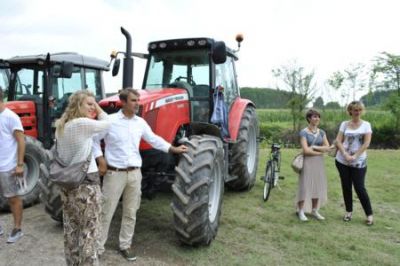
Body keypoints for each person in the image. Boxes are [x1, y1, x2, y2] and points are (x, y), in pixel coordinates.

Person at [94, 88, 187, 261]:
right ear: (123, 102)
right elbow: (94, 140)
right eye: (133, 100)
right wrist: (100, 160)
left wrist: (172, 148)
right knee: (106, 211)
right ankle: (98, 247)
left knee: (131, 212)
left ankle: (125, 245)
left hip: (135, 174)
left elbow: (153, 139)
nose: (138, 103)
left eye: (138, 100)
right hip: (115, 174)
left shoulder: (140, 122)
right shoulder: (110, 121)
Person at [55, 90, 111, 265]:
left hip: (67, 186)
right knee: (89, 233)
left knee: (71, 231)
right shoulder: (81, 124)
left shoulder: (62, 126)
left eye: (93, 104)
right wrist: (99, 108)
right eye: (89, 104)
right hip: (86, 186)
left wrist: (93, 105)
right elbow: (107, 123)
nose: (93, 107)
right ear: (78, 105)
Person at [335, 101, 373, 225]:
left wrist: (355, 156)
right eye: (355, 110)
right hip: (342, 160)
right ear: (350, 111)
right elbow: (338, 141)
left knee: (359, 187)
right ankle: (348, 212)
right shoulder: (344, 124)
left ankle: (369, 215)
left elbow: (366, 143)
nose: (357, 112)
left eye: (359, 110)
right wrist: (345, 154)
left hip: (359, 162)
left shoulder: (366, 125)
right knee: (346, 186)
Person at [296, 109, 331, 222]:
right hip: (307, 162)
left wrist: (315, 148)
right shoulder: (304, 132)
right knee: (305, 186)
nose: (317, 119)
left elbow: (328, 147)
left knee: (317, 185)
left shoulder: (322, 133)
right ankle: (301, 210)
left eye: (318, 117)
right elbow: (305, 151)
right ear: (309, 118)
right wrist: (320, 152)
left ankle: (314, 210)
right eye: (314, 117)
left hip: (319, 162)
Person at [0, 86, 25, 243]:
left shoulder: (11, 117)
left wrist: (20, 164)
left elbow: (21, 141)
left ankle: (17, 229)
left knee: (13, 199)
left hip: (7, 165)